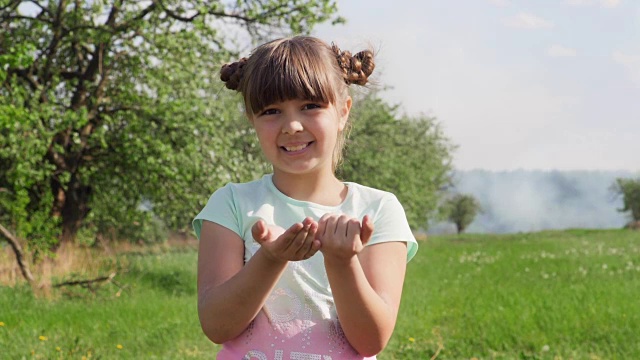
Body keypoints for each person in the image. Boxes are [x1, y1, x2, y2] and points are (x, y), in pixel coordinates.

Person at [193, 35, 418, 360]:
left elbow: (371, 340)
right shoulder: (230, 204)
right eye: (271, 111)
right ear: (251, 119)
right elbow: (216, 326)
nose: (292, 125)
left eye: (310, 106)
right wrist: (269, 260)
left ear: (343, 111)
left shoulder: (378, 210)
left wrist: (342, 262)